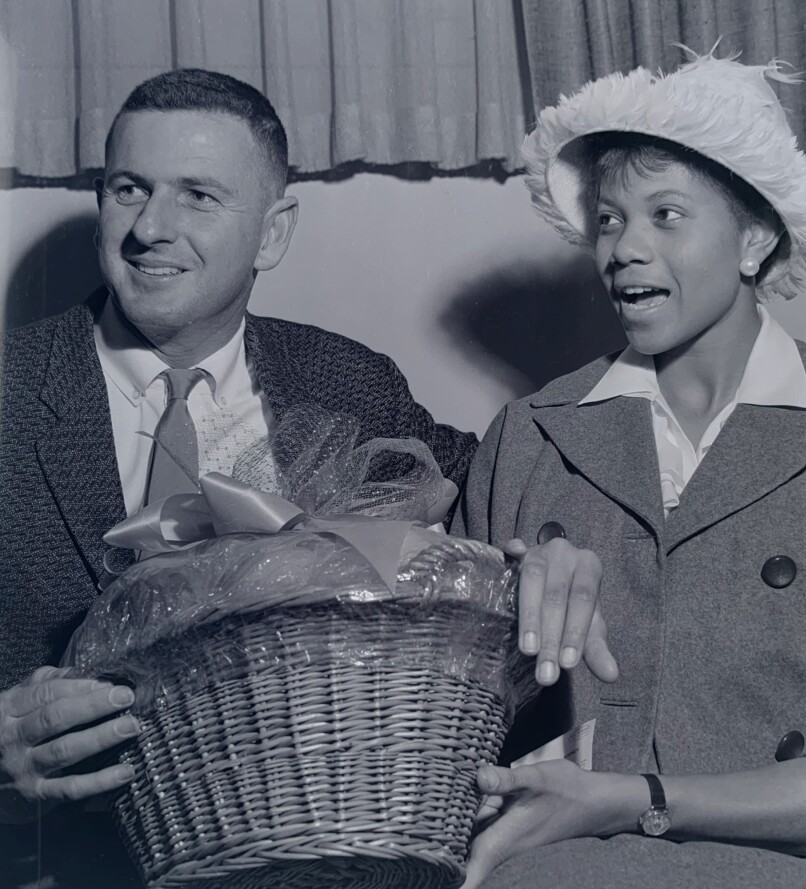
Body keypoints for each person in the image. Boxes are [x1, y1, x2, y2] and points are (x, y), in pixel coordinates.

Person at [0, 69, 614, 888]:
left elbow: (497, 491)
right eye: (128, 188)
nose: (151, 226)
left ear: (273, 233)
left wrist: (555, 549)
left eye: (198, 196)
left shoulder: (346, 382)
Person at [455, 50, 806, 888]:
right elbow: (438, 721)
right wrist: (499, 596)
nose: (623, 247)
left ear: (755, 238)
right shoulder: (528, 434)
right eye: (608, 219)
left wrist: (634, 798)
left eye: (666, 215)